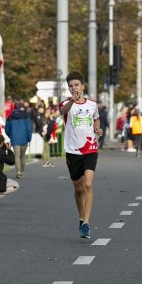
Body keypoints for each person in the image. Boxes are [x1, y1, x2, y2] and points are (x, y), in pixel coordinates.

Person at [59, 72, 102, 239]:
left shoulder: (92, 104)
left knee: (88, 185)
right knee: (78, 188)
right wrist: (72, 100)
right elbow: (62, 110)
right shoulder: (66, 104)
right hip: (72, 150)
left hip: (90, 148)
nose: (73, 88)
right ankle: (80, 216)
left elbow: (96, 119)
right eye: (71, 86)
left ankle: (86, 222)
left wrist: (97, 129)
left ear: (82, 86)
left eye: (76, 85)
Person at [5, 101, 33, 179]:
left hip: (14, 138)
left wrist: (10, 135)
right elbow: (29, 128)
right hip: (24, 138)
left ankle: (18, 172)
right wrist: (29, 138)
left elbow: (6, 129)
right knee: (23, 155)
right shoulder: (26, 115)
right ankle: (22, 171)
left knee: (16, 156)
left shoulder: (10, 117)